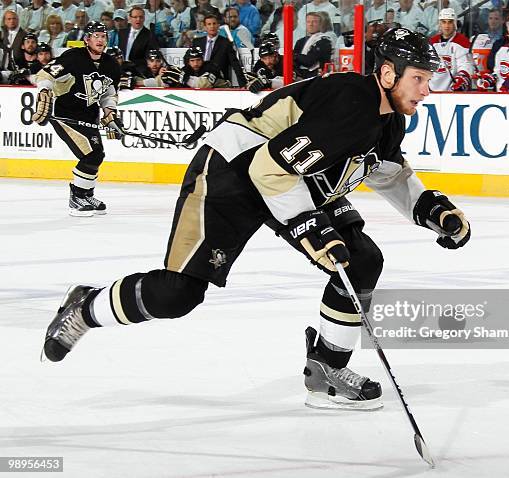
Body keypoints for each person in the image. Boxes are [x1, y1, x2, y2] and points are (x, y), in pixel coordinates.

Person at [40, 27, 471, 411]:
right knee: (177, 294)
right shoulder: (349, 105)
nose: (426, 90)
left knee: (359, 260)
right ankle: (86, 307)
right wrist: (308, 227)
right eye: (419, 78)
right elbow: (267, 168)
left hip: (286, 175)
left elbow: (387, 171)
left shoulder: (389, 118)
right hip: (232, 172)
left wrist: (432, 211)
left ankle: (326, 371)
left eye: (429, 80)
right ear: (389, 74)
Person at [31, 21, 121, 216]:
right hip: (65, 115)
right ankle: (76, 197)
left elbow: (108, 93)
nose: (100, 40)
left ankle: (86, 194)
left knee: (97, 154)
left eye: (103, 36)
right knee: (91, 154)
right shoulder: (72, 57)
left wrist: (111, 114)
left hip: (89, 116)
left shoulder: (111, 64)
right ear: (86, 39)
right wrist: (45, 93)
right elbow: (44, 74)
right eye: (95, 36)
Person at [192, 13, 246, 87]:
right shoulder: (197, 42)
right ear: (205, 27)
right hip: (199, 77)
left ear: (218, 25)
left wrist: (243, 85)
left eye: (214, 24)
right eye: (209, 24)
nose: (212, 26)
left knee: (203, 83)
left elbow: (235, 64)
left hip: (219, 79)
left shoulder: (226, 43)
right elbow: (190, 60)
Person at [429, 8, 473, 92]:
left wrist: (462, 77)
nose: (447, 26)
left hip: (452, 92)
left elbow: (465, 64)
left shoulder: (462, 41)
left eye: (450, 22)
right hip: (431, 91)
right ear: (440, 24)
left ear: (455, 23)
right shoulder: (432, 42)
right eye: (444, 22)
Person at [118, 5, 159, 71]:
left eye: (141, 17)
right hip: (121, 69)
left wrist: (131, 64)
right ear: (130, 18)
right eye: (135, 17)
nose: (138, 19)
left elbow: (148, 58)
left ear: (144, 18)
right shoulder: (122, 33)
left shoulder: (149, 35)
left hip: (138, 71)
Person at [293, 11, 332, 79]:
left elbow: (309, 61)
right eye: (308, 22)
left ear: (320, 24)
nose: (311, 24)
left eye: (314, 22)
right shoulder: (300, 41)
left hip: (317, 78)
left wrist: (294, 55)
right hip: (299, 76)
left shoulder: (324, 41)